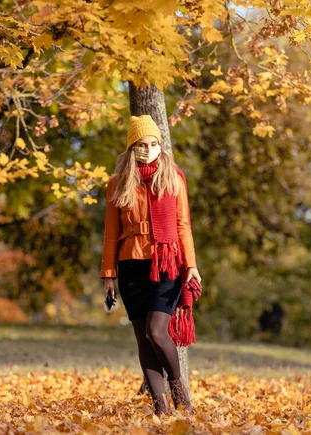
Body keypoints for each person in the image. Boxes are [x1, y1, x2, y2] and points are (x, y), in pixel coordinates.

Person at [100, 114, 202, 416]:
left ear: (160, 146)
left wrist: (191, 266)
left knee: (158, 331)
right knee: (143, 337)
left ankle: (178, 389)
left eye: (153, 143)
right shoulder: (117, 183)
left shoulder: (173, 176)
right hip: (131, 264)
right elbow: (111, 232)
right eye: (142, 144)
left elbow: (183, 225)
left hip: (167, 262)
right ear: (132, 148)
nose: (148, 149)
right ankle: (160, 407)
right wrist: (108, 275)